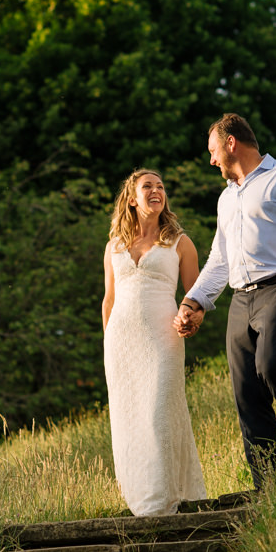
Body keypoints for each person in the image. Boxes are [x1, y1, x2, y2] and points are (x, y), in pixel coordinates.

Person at [173, 113, 276, 489]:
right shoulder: (226, 199)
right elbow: (219, 259)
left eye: (213, 151)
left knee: (272, 364)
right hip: (240, 299)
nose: (211, 160)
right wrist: (194, 302)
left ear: (231, 143)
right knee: (246, 391)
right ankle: (268, 486)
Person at [102, 168, 207, 515]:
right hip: (121, 344)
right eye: (148, 186)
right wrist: (108, 346)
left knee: (159, 414)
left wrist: (192, 319)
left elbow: (197, 295)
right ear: (132, 198)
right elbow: (108, 300)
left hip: (162, 341)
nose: (156, 190)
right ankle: (142, 499)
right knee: (130, 418)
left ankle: (163, 504)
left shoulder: (180, 242)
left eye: (160, 186)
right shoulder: (114, 246)